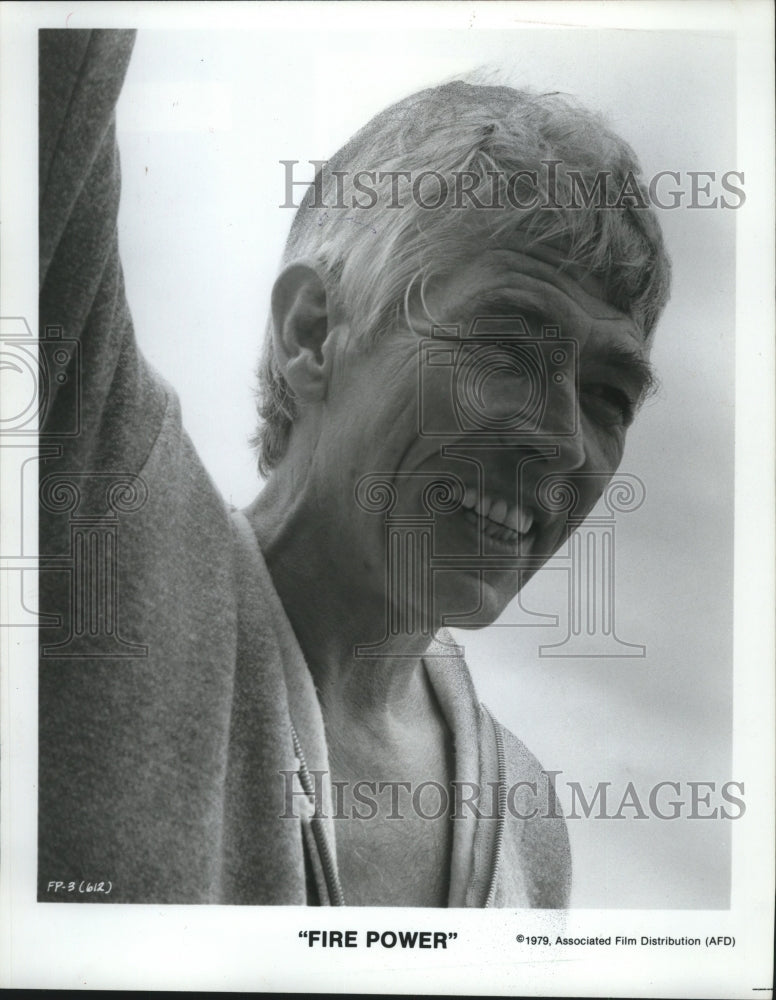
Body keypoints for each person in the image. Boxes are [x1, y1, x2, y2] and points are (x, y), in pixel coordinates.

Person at [38, 28, 670, 906]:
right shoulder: (108, 534)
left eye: (607, 396)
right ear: (312, 333)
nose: (565, 443)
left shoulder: (527, 821)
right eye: (505, 350)